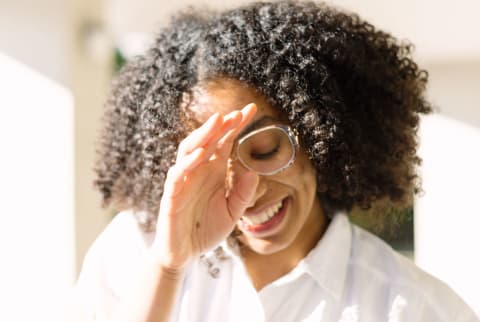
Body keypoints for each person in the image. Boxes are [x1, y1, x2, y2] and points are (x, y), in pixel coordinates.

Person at [71, 1, 479, 321]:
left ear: (321, 132)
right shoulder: (133, 252)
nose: (246, 193)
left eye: (265, 150)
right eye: (209, 165)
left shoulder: (416, 309)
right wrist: (168, 265)